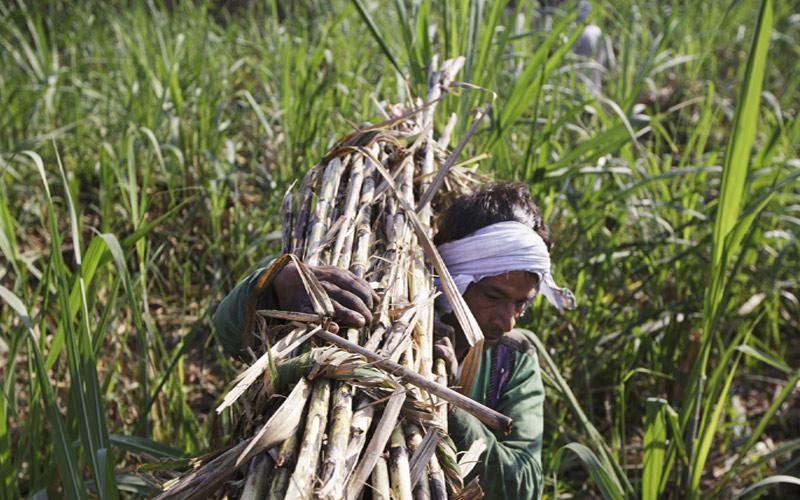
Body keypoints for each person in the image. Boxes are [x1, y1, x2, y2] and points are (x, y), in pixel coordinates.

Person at [212, 181, 574, 499]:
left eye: (521, 303)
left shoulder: (513, 360)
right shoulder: (376, 320)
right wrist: (274, 283)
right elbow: (230, 336)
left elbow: (522, 484)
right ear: (455, 277)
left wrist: (445, 400)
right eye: (493, 297)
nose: (507, 322)